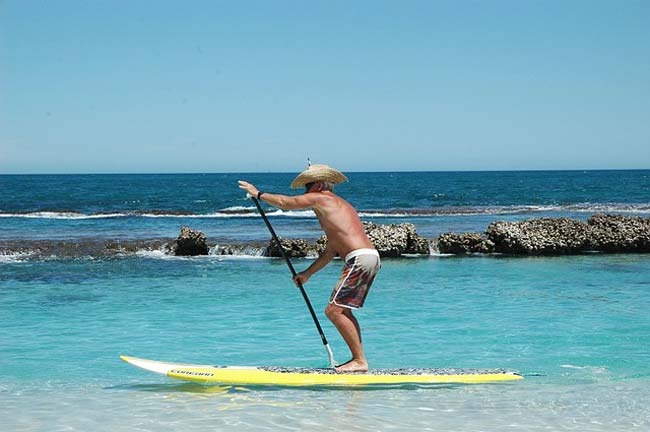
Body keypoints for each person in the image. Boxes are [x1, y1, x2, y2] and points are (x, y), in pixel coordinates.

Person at [238, 164, 380, 373]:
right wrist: (306, 274)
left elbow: (287, 203)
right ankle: (358, 360)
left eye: (308, 187)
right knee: (341, 311)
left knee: (334, 311)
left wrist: (258, 193)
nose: (305, 193)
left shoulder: (323, 198)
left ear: (320, 184)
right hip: (366, 258)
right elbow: (330, 252)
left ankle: (359, 361)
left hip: (360, 259)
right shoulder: (337, 208)